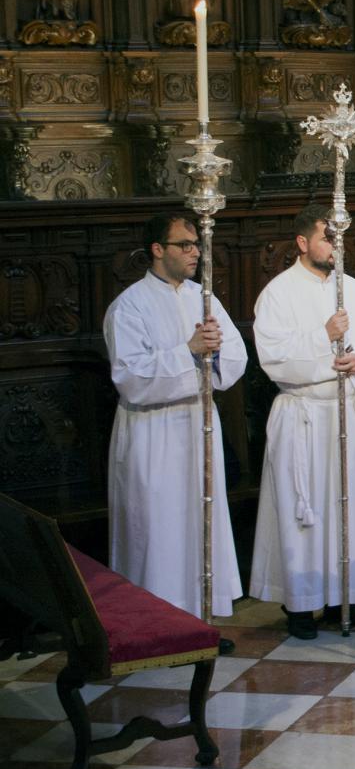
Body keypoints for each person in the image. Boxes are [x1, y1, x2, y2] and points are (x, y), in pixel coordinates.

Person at [104, 213, 246, 652]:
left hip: (197, 424)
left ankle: (201, 621)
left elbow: (236, 354)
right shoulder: (129, 305)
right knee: (158, 532)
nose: (194, 253)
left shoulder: (205, 299)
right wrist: (187, 351)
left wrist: (215, 356)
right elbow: (130, 375)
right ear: (157, 249)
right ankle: (156, 630)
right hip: (153, 432)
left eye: (196, 245)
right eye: (184, 245)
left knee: (199, 526)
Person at [250, 205, 355, 640]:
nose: (335, 246)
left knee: (352, 506)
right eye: (327, 237)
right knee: (303, 513)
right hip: (304, 417)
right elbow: (273, 357)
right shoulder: (278, 293)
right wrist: (325, 337)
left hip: (348, 407)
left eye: (340, 238)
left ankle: (345, 598)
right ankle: (300, 605)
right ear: (302, 243)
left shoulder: (354, 290)